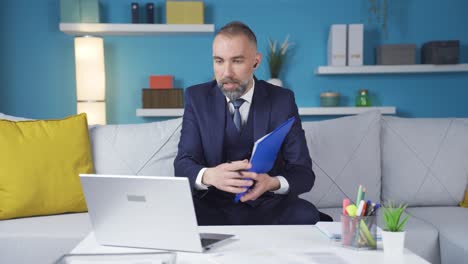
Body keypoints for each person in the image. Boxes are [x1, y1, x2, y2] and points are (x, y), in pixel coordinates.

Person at [174, 21, 331, 225]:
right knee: (178, 214)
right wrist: (210, 176)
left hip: (267, 205)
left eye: (237, 61)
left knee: (306, 214)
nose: (226, 72)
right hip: (213, 205)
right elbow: (182, 165)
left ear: (256, 62)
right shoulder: (197, 97)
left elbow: (303, 173)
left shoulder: (282, 100)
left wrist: (271, 183)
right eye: (219, 61)